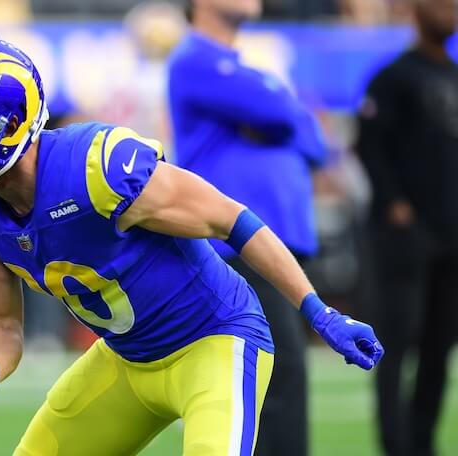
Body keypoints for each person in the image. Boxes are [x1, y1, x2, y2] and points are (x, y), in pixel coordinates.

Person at [0, 36, 383, 456]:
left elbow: (231, 220)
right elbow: (1, 321)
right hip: (126, 359)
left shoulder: (95, 170)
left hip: (214, 342)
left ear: (9, 126)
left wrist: (319, 312)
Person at [168, 2, 327, 455]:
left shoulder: (241, 68)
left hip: (271, 249)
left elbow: (314, 138)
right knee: (273, 379)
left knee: (280, 377)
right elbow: (284, 114)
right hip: (237, 251)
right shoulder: (195, 58)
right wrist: (283, 114)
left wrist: (283, 116)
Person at [356, 1, 458, 455]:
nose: (449, 11)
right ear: (416, 11)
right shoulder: (392, 77)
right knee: (394, 345)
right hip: (404, 238)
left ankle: (423, 441)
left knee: (440, 347)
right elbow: (370, 147)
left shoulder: (453, 76)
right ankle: (395, 444)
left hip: (452, 236)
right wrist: (397, 208)